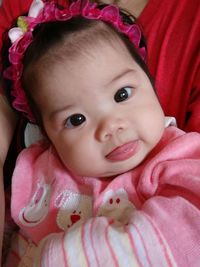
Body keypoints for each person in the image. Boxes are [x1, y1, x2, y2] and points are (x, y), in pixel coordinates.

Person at [2, 0, 200, 266]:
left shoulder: (178, 158)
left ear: (152, 84)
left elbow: (188, 229)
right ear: (47, 135)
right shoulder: (41, 168)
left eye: (122, 94)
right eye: (76, 119)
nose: (110, 126)